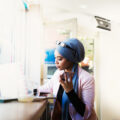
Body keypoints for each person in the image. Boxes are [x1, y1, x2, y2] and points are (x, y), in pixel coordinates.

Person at [38, 38, 98, 120]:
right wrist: (28, 91)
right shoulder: (58, 74)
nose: (56, 62)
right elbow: (45, 89)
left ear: (70, 59)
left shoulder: (87, 79)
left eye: (59, 59)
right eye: (55, 58)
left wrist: (70, 91)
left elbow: (86, 113)